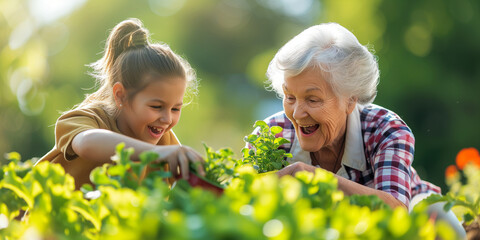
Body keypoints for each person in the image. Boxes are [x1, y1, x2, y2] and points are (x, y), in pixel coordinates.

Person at [253, 23, 466, 237]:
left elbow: (395, 212)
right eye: (290, 97)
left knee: (441, 218)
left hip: (407, 222)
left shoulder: (385, 129)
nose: (298, 113)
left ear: (350, 100)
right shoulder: (271, 134)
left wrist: (312, 176)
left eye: (312, 99)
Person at [37, 18, 205, 190]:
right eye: (156, 106)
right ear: (121, 96)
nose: (167, 119)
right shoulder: (87, 119)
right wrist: (155, 154)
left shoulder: (165, 142)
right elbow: (86, 143)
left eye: (176, 108)